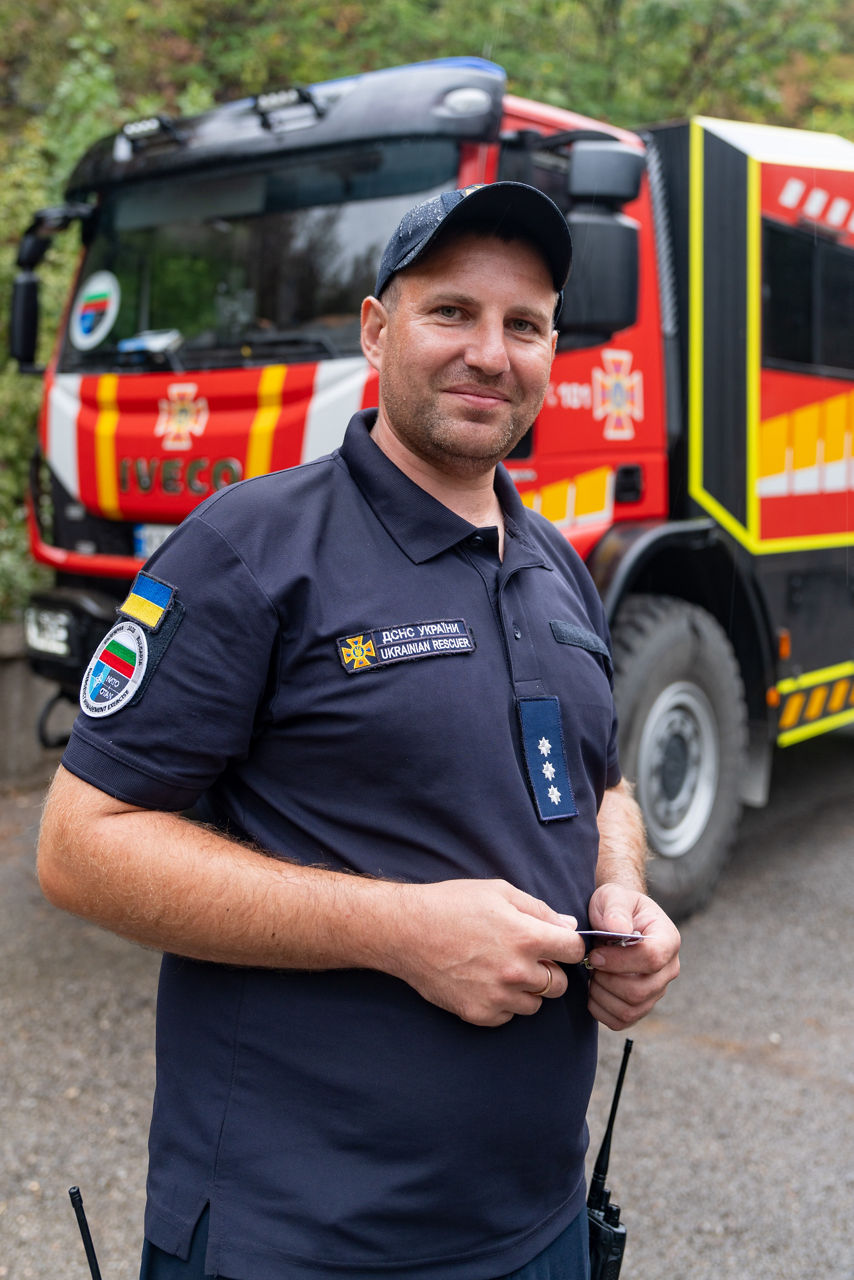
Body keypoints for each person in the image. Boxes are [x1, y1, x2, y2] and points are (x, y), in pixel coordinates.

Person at [38, 181, 680, 1280]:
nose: (489, 351)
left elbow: (602, 781)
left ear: (551, 354)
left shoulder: (556, 562)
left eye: (522, 325)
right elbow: (79, 844)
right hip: (296, 1240)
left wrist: (619, 890)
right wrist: (400, 930)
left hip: (538, 1225)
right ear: (377, 329)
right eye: (450, 313)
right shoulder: (251, 547)